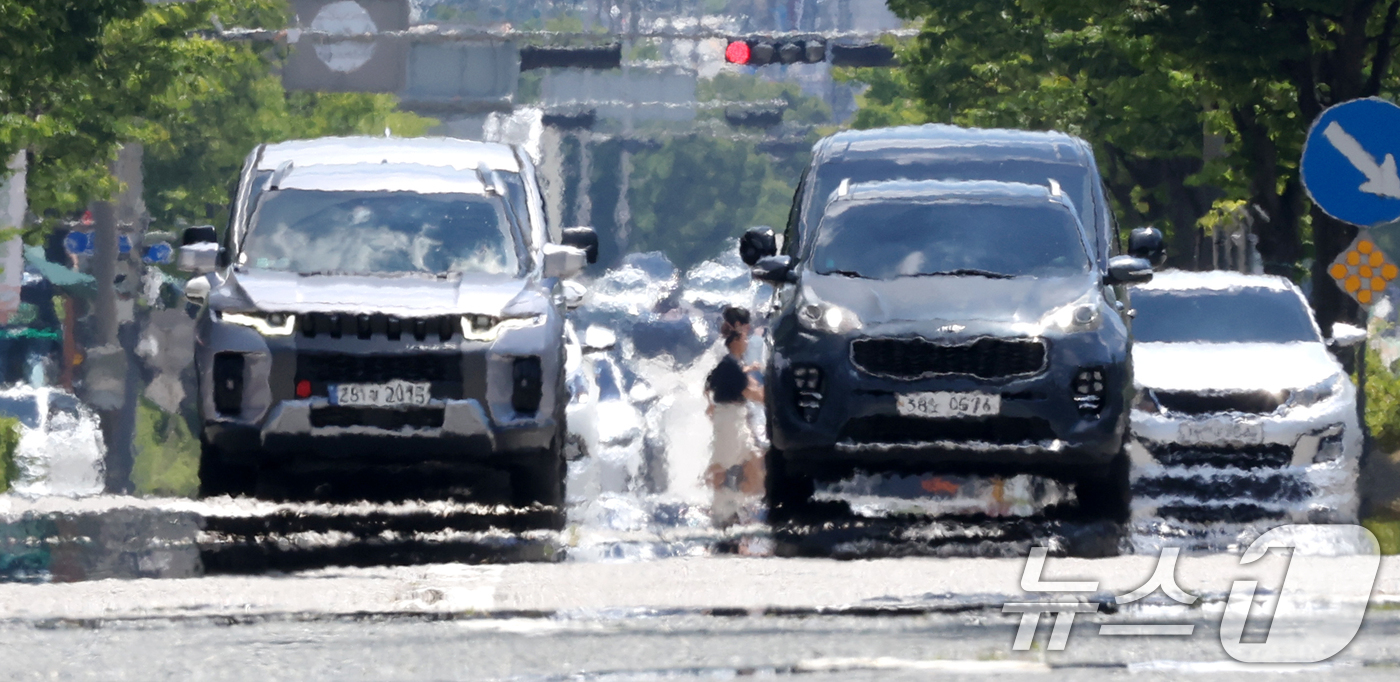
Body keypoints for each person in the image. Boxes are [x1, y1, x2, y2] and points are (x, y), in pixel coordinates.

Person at [705, 328, 765, 528]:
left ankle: (734, 506)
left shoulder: (733, 365)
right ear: (735, 342)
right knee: (724, 465)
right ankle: (722, 509)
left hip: (734, 419)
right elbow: (749, 393)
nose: (747, 342)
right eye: (744, 339)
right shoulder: (731, 366)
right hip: (730, 420)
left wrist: (710, 405)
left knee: (752, 459)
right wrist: (774, 398)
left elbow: (709, 384)